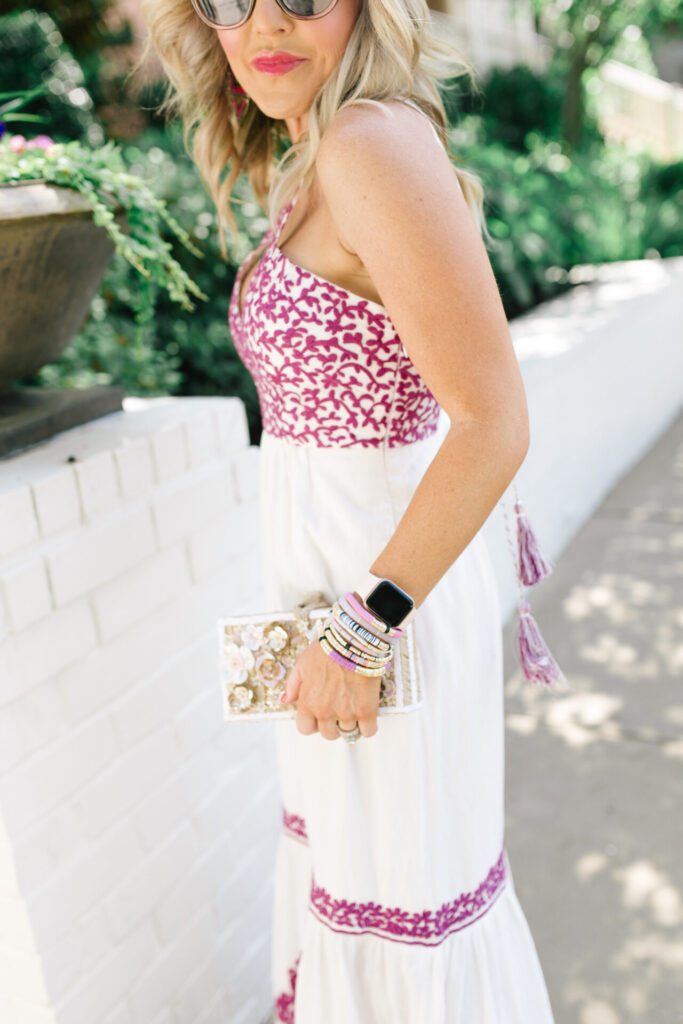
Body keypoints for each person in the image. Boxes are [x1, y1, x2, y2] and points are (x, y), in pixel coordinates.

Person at [138, 0, 561, 1019]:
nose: (264, 22)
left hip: (378, 621)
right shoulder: (320, 145)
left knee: (405, 913)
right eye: (229, 0)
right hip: (342, 613)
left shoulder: (367, 142)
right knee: (361, 893)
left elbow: (493, 420)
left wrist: (359, 631)